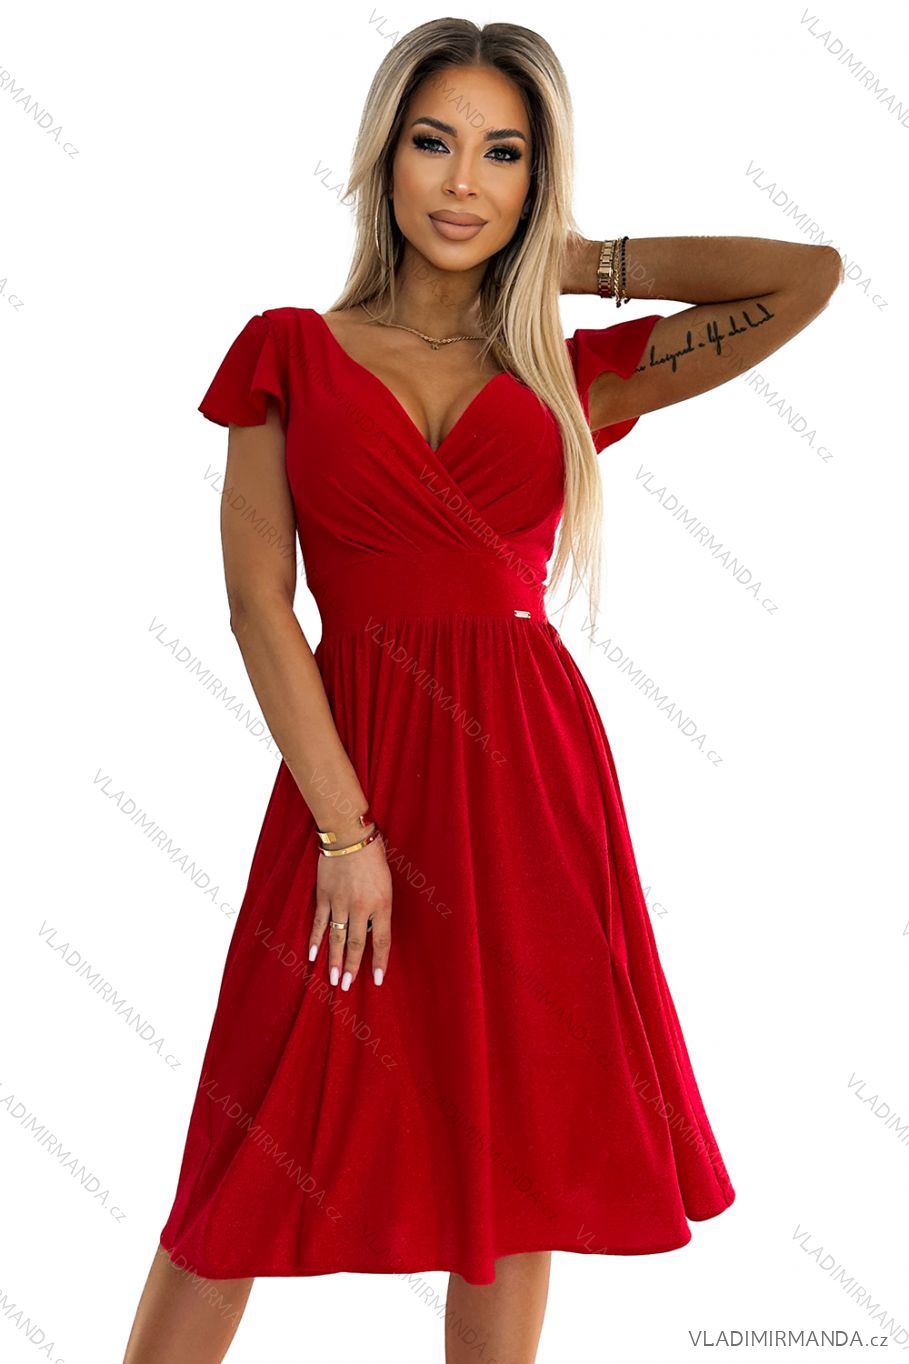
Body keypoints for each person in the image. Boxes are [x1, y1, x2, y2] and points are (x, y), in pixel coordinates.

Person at [121, 17, 842, 1364]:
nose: (462, 183)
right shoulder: (288, 349)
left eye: (503, 155)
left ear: (537, 178)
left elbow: (808, 277)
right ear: (382, 157)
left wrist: (575, 261)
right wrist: (346, 832)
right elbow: (259, 606)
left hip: (529, 785)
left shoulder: (569, 374)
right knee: (246, 1148)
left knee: (515, 1150)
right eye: (433, 143)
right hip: (350, 779)